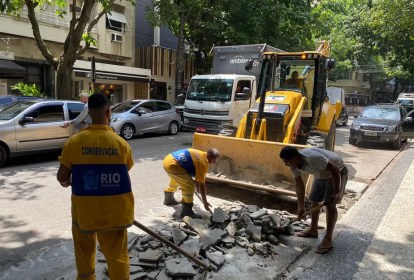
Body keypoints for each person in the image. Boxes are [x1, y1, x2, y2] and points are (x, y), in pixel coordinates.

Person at [57, 93, 135, 279]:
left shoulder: (74, 142)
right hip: (115, 213)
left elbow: (62, 176)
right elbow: (126, 169)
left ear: (89, 113)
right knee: (117, 256)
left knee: (84, 255)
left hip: (85, 213)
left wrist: (67, 180)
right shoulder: (121, 144)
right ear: (109, 112)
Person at [279, 146, 348, 254]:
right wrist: (301, 207)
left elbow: (334, 169)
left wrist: (336, 192)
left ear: (295, 158)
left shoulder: (313, 158)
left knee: (330, 204)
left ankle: (328, 238)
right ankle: (313, 229)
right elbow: (299, 185)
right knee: (313, 199)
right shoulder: (293, 166)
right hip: (319, 173)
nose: (285, 164)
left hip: (336, 172)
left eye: (286, 161)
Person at [163, 148, 221, 219]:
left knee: (176, 179)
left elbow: (190, 167)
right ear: (210, 157)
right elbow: (202, 185)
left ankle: (168, 199)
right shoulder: (203, 163)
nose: (214, 163)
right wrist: (205, 202)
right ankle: (187, 212)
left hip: (168, 160)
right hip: (174, 165)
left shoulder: (201, 153)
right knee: (190, 186)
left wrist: (191, 182)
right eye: (214, 160)